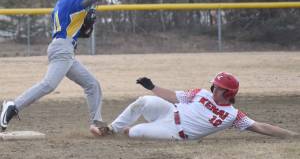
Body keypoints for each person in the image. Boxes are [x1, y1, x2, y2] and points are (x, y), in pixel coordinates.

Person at [0, 0, 120, 134]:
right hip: (62, 49)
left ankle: (97, 123)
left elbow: (82, 33)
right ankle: (13, 106)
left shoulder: (63, 4)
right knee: (49, 84)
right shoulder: (68, 1)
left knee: (92, 85)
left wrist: (87, 25)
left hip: (66, 50)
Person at [91, 72, 299, 140]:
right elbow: (173, 97)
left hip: (175, 132)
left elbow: (260, 126)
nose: (214, 89)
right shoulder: (201, 93)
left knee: (134, 133)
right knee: (144, 101)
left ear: (229, 93)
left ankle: (125, 130)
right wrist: (152, 87)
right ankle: (109, 129)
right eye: (214, 85)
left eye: (219, 88)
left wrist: (292, 135)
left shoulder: (233, 115)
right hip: (170, 111)